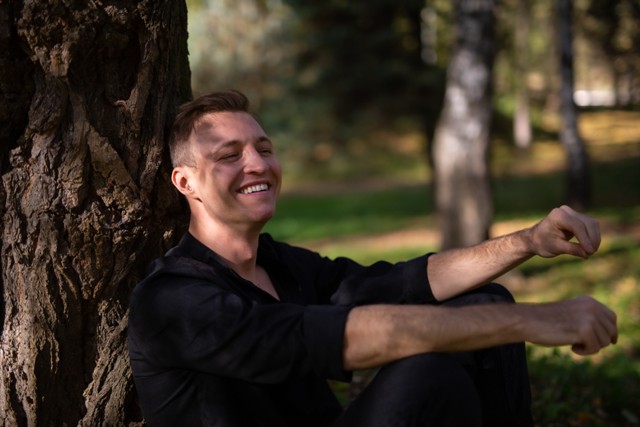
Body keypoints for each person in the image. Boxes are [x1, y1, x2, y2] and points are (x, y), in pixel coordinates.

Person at [127, 90, 618, 427]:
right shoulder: (172, 299)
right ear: (186, 182)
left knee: (484, 300)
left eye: (264, 148)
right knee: (429, 375)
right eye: (229, 155)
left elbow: (400, 286)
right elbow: (344, 337)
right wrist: (532, 320)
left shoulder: (278, 264)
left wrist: (528, 241)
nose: (257, 164)